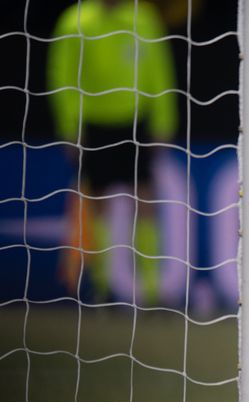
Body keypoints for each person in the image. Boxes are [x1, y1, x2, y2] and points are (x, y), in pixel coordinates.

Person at [47, 0, 178, 305]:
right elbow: (61, 76)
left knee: (145, 199)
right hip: (94, 123)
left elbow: (160, 69)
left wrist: (164, 118)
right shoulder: (75, 21)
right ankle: (102, 288)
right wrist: (69, 127)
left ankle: (152, 291)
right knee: (98, 203)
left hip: (135, 120)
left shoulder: (143, 17)